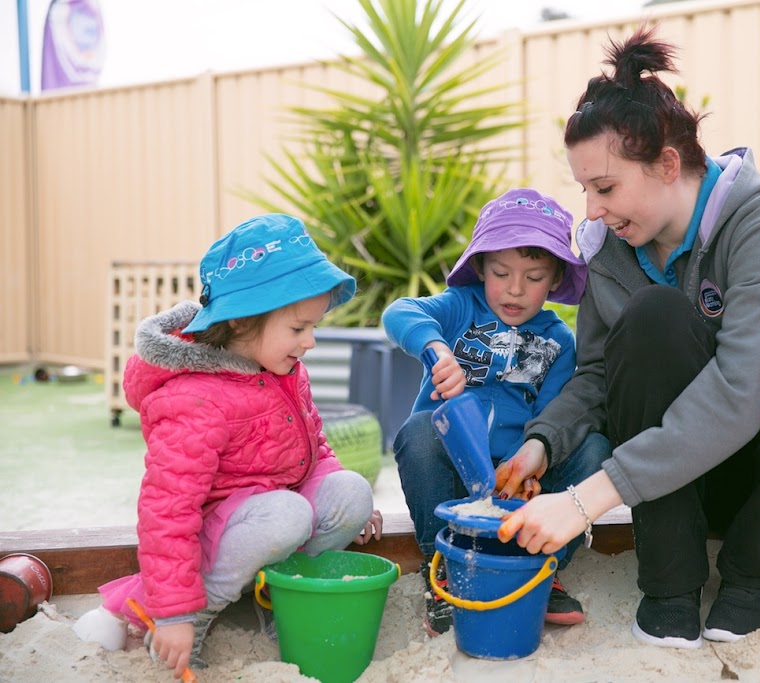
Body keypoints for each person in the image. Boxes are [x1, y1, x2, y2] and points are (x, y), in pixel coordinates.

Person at [496, 26, 760, 649]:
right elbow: (598, 373)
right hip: (680, 491)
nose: (590, 212)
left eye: (605, 187)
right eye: (584, 191)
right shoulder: (609, 253)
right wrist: (543, 442)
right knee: (652, 318)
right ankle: (670, 583)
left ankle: (757, 572)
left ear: (668, 164)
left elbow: (739, 390)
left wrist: (581, 502)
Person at [72, 213, 383, 678]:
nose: (311, 342)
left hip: (270, 514)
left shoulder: (283, 368)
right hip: (217, 535)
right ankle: (197, 615)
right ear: (240, 322)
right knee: (287, 514)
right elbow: (167, 509)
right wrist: (175, 613)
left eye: (314, 327)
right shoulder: (195, 397)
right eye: (299, 328)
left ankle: (285, 595)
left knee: (352, 491)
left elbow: (311, 445)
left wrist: (338, 487)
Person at [382, 187, 610, 636]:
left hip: (520, 479)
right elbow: (399, 311)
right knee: (421, 430)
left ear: (556, 278)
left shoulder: (559, 342)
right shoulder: (458, 308)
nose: (516, 289)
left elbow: (553, 416)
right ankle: (443, 563)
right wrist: (434, 348)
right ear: (481, 268)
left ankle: (542, 566)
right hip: (454, 470)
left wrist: (531, 459)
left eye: (535, 276)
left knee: (594, 448)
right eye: (501, 272)